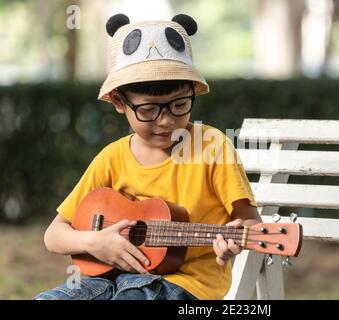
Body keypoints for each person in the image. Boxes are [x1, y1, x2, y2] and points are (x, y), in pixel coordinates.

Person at [33, 13, 261, 300]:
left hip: (184, 286)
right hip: (104, 281)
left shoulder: (212, 146)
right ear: (119, 101)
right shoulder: (112, 158)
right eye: (149, 110)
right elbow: (53, 235)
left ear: (193, 92)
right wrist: (96, 242)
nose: (166, 121)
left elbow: (250, 222)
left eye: (180, 104)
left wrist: (235, 240)